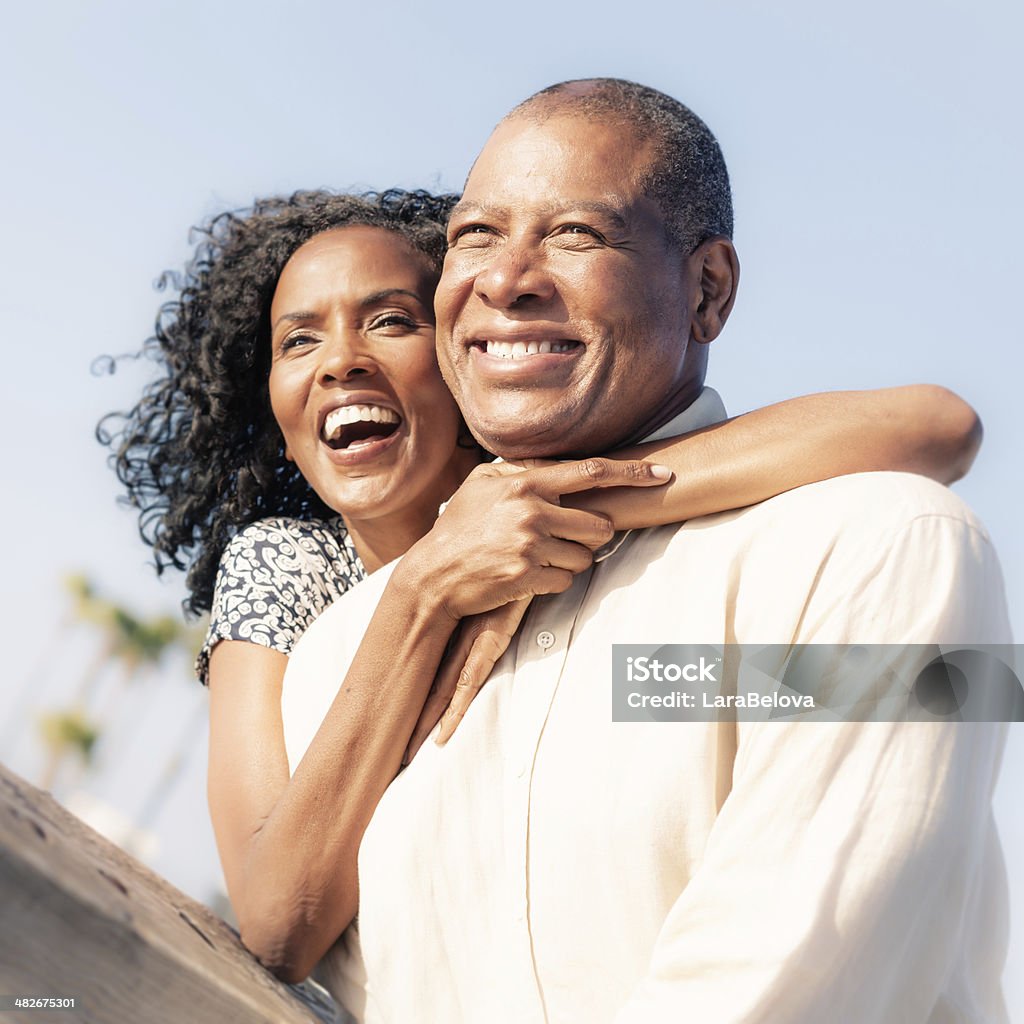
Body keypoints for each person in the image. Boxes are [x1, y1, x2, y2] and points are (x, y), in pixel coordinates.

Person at [105, 187, 981, 1014]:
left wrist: (566, 503)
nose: (341, 362)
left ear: (461, 359)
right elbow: (274, 916)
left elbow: (939, 425)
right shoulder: (296, 582)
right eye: (297, 342)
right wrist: (427, 590)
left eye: (391, 321)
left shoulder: (728, 561)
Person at [281, 80, 1013, 1023]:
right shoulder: (342, 651)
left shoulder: (886, 548)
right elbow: (289, 944)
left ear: (707, 290)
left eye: (577, 234)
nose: (506, 279)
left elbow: (804, 968)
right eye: (474, 235)